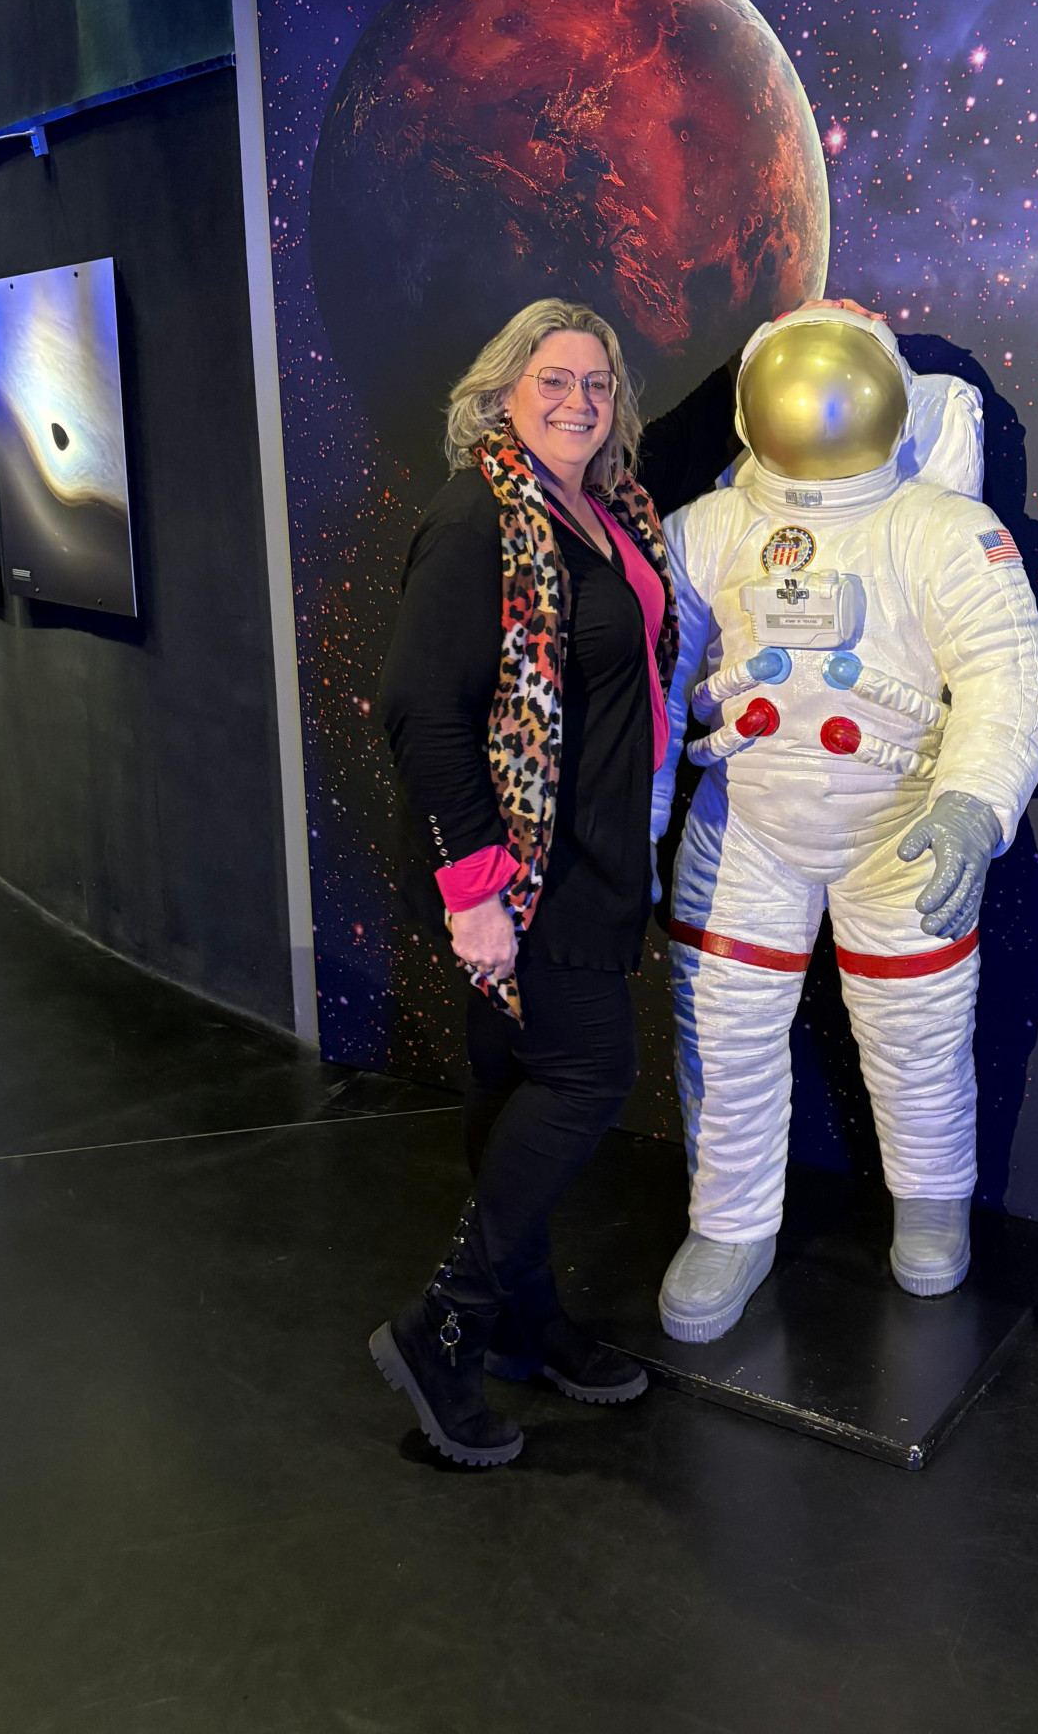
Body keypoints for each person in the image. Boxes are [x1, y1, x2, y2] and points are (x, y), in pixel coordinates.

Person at [651, 300, 1038, 1342]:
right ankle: (728, 1224)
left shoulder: (944, 529)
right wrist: (641, 816)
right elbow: (651, 683)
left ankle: (931, 1205)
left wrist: (972, 804)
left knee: (916, 1036)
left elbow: (1006, 678)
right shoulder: (707, 528)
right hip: (748, 826)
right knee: (724, 1035)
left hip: (902, 830)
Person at [370, 299, 678, 1467]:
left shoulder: (604, 507)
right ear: (502, 390)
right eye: (554, 378)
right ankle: (445, 1323)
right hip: (523, 871)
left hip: (596, 852)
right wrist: (477, 892)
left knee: (511, 1087)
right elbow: (423, 713)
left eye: (598, 382)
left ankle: (524, 1322)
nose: (579, 401)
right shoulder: (476, 515)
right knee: (589, 1071)